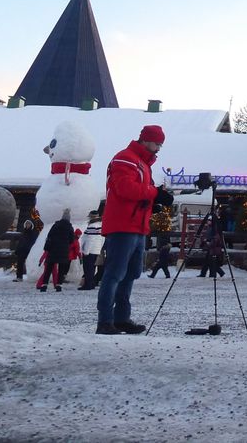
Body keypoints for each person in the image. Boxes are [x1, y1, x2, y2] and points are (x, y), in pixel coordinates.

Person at [95, 124, 164, 335]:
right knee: (115, 273)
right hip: (122, 225)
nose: (158, 148)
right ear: (146, 140)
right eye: (157, 143)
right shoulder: (125, 158)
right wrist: (154, 193)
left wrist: (153, 202)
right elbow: (125, 189)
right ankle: (105, 321)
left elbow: (138, 193)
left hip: (137, 225)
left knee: (131, 273)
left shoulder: (142, 163)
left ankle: (121, 318)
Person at [37, 210, 75, 292]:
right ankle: (59, 285)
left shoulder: (55, 225)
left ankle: (44, 285)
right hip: (63, 250)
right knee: (61, 269)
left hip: (53, 249)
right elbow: (72, 239)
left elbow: (49, 236)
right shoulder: (69, 227)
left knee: (49, 268)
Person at [78, 211, 103, 290]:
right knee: (92, 268)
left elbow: (90, 239)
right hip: (96, 249)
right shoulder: (100, 225)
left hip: (90, 250)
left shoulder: (92, 226)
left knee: (88, 268)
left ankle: (88, 284)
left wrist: (86, 251)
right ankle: (91, 283)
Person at [13, 219, 38, 283]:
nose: (27, 225)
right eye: (27, 224)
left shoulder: (33, 233)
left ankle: (33, 276)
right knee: (19, 263)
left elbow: (34, 242)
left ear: (31, 225)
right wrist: (17, 250)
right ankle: (19, 277)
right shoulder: (23, 233)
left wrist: (31, 249)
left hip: (29, 250)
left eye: (29, 224)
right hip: (22, 250)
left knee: (32, 263)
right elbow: (20, 242)